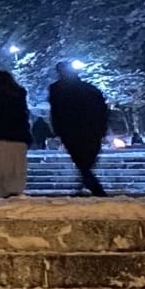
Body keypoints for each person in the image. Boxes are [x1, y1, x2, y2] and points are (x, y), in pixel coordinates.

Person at [48, 61, 110, 196]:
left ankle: (93, 188)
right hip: (91, 129)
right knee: (85, 162)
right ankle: (92, 187)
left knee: (81, 161)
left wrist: (57, 129)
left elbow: (57, 111)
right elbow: (102, 110)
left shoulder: (56, 89)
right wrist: (102, 128)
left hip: (70, 130)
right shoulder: (90, 89)